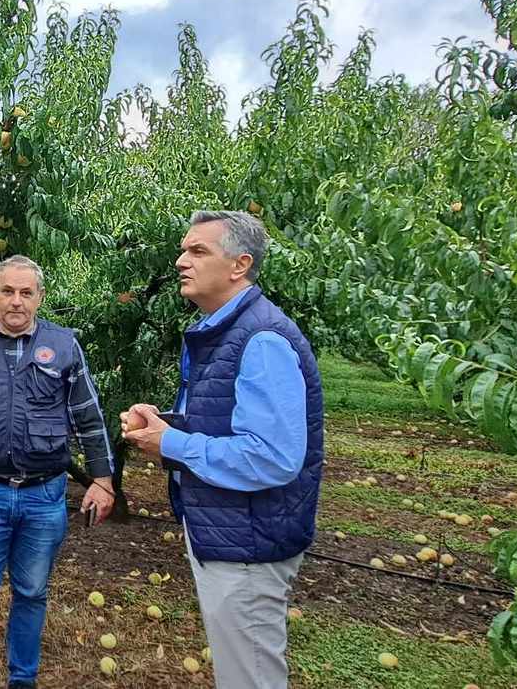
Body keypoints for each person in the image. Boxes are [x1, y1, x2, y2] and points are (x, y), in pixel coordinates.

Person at [121, 210, 323, 689]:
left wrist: (172, 443)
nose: (180, 261)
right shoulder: (228, 331)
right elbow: (230, 424)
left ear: (240, 264)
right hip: (231, 532)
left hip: (248, 542)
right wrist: (165, 427)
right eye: (184, 250)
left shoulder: (261, 338)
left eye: (198, 251)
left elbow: (272, 456)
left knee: (249, 677)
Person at [0, 255, 116, 689]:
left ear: (40, 297)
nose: (16, 301)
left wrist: (103, 479)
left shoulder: (64, 345)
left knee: (32, 593)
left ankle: (23, 680)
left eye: (25, 292)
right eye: (7, 291)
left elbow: (89, 417)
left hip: (44, 495)